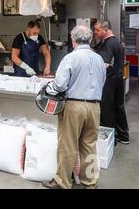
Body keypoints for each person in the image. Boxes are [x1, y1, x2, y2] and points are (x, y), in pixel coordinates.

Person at [43, 25, 106, 189]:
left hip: (74, 106)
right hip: (94, 107)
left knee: (68, 145)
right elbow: (102, 81)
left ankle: (62, 181)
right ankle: (90, 183)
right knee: (90, 146)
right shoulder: (99, 59)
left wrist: (50, 87)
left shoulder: (70, 58)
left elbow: (60, 85)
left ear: (73, 39)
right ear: (90, 39)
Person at [93, 20, 130, 145]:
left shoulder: (109, 44)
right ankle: (124, 135)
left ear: (106, 29)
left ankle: (109, 139)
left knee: (107, 109)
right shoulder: (116, 41)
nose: (95, 33)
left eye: (97, 30)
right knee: (118, 107)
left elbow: (103, 63)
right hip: (119, 79)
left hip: (110, 80)